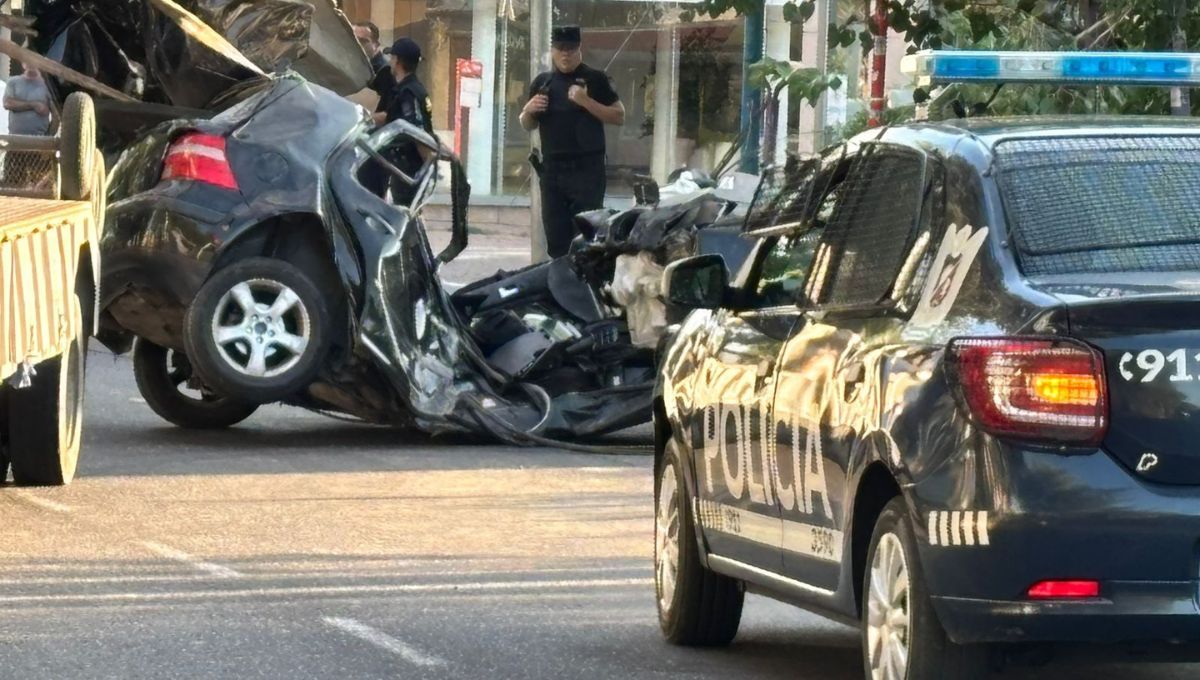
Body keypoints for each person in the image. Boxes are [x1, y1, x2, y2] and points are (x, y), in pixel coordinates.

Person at [520, 26, 625, 258]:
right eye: (560, 49)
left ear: (579, 49)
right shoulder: (542, 83)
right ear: (553, 50)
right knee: (556, 240)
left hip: (586, 171)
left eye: (570, 49)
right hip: (553, 172)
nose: (565, 54)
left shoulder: (596, 79)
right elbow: (528, 125)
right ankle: (560, 287)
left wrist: (585, 101)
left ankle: (585, 288)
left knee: (587, 240)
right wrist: (528, 111)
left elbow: (619, 116)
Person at [371, 37, 434, 207]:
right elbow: (392, 117)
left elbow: (416, 131)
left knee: (404, 215)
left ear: (397, 61)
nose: (390, 62)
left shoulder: (409, 93)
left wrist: (428, 169)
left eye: (392, 58)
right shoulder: (405, 89)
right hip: (401, 167)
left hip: (407, 168)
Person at [354, 21, 396, 198]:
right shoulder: (353, 68)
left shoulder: (385, 72)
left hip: (374, 151)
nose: (358, 45)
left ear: (376, 44)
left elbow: (391, 114)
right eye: (354, 40)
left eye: (363, 41)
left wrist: (367, 117)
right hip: (353, 147)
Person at [3, 63, 51, 189]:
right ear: (23, 64)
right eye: (27, 60)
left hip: (39, 145)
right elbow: (8, 103)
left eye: (34, 60)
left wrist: (51, 139)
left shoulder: (48, 86)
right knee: (12, 185)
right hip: (15, 143)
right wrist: (34, 105)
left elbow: (57, 114)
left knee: (38, 186)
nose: (31, 64)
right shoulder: (13, 82)